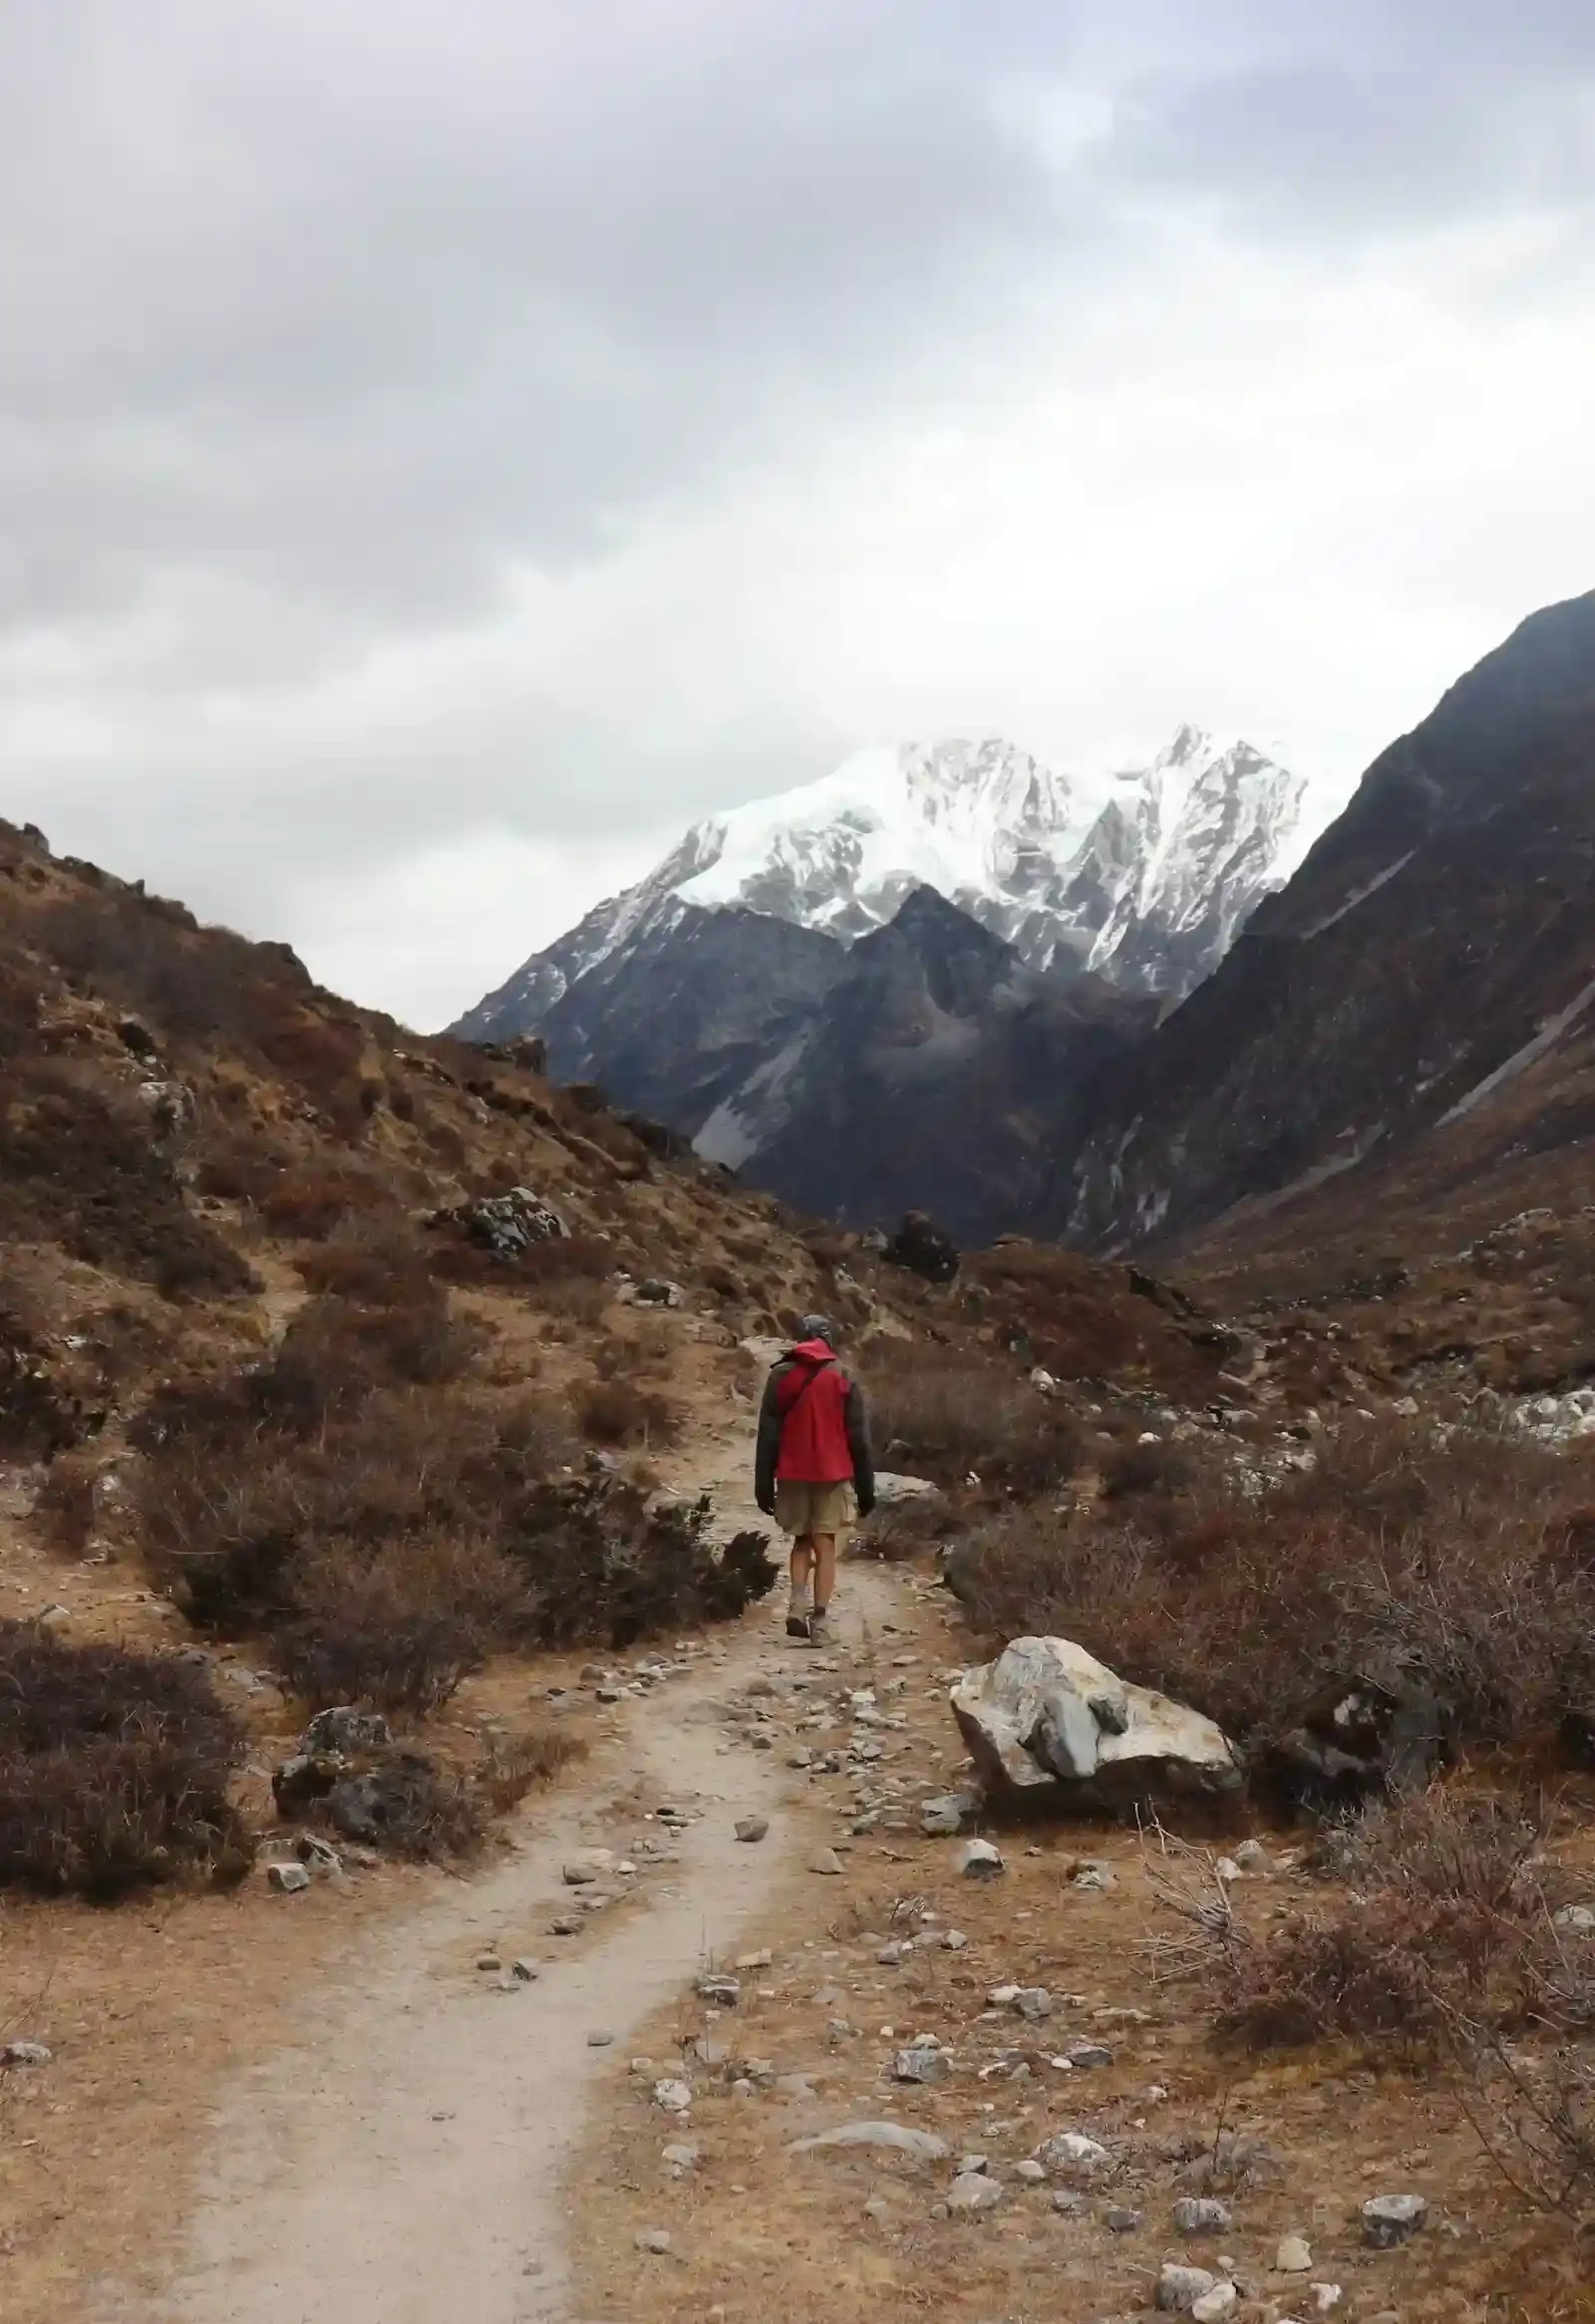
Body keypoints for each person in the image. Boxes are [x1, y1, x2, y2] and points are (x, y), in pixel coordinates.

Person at [755, 1313, 874, 1644]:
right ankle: (819, 1622)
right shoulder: (844, 1376)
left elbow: (768, 1434)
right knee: (825, 1544)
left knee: (800, 1540)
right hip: (831, 1474)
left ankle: (796, 1603)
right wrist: (866, 1489)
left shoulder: (780, 1374)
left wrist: (763, 1483)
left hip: (791, 1473)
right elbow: (859, 1440)